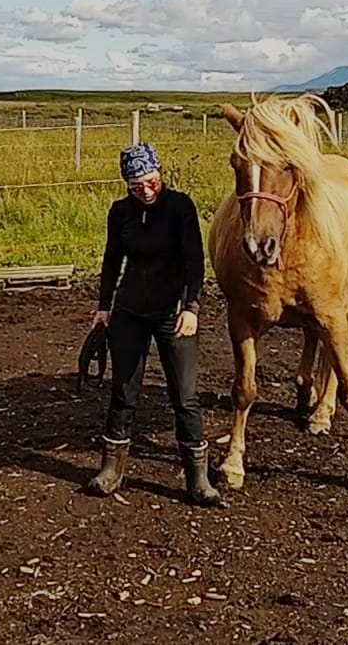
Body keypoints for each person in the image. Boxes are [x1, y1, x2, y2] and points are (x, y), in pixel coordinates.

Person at [84, 142, 221, 507]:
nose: (145, 190)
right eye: (135, 185)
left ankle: (198, 478)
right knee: (123, 391)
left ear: (159, 173)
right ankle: (112, 470)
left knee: (184, 395)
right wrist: (104, 307)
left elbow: (195, 262)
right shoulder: (120, 213)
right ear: (126, 185)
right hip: (129, 312)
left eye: (149, 181)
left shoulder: (180, 207)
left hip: (172, 313)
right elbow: (112, 260)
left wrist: (191, 307)